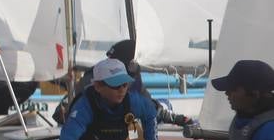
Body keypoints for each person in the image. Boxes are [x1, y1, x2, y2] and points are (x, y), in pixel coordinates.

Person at [58, 57, 165, 140]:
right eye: (115, 85)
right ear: (97, 86)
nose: (121, 90)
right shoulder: (84, 107)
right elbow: (67, 139)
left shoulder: (133, 102)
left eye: (125, 84)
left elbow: (150, 115)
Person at [51, 39, 190, 127]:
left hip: (123, 133)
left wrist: (177, 119)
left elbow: (149, 107)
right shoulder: (93, 82)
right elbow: (68, 117)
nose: (122, 89)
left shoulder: (132, 82)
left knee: (161, 105)